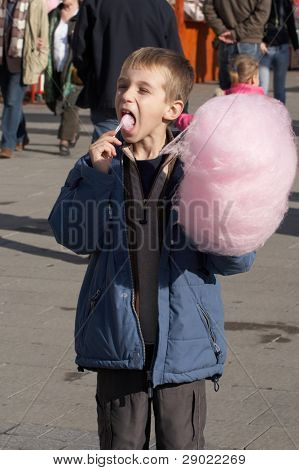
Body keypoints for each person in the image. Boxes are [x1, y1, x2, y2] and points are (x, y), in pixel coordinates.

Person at [48, 47, 255, 450]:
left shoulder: (196, 170)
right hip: (117, 342)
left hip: (185, 347)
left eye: (144, 89)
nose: (127, 96)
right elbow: (73, 236)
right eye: (123, 86)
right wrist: (95, 177)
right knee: (121, 447)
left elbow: (234, 260)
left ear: (171, 108)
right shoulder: (98, 165)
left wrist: (228, 212)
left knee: (182, 448)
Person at [72, 0, 184, 141]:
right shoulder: (161, 6)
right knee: (148, 156)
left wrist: (96, 79)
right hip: (151, 99)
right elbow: (175, 62)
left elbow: (80, 53)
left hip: (109, 92)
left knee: (107, 154)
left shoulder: (95, 3)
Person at [0, 0, 49, 159]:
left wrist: (41, 58)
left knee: (11, 102)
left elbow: (44, 33)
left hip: (22, 60)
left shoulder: (35, 4)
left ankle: (7, 144)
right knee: (11, 100)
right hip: (2, 59)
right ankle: (21, 136)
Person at [177, 54, 264, 131]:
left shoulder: (222, 99)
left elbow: (200, 122)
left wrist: (179, 118)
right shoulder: (265, 104)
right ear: (254, 79)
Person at [203, 0, 272, 90]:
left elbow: (208, 9)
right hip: (245, 40)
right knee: (248, 91)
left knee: (227, 91)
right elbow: (262, 13)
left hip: (229, 39)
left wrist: (224, 31)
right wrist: (230, 33)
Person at [44, 0, 82, 156]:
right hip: (54, 66)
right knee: (54, 102)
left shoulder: (82, 15)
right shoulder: (53, 15)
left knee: (69, 104)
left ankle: (64, 141)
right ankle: (75, 129)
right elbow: (44, 34)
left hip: (74, 69)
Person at [259, 0, 299, 104]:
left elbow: (291, 25)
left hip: (283, 48)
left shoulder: (286, 2)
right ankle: (260, 116)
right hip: (265, 49)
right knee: (262, 87)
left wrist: (296, 47)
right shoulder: (262, 2)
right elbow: (257, 21)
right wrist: (259, 41)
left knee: (280, 88)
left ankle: (281, 117)